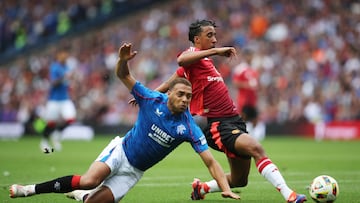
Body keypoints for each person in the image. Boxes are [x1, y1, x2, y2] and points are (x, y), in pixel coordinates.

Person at [9, 43, 240, 202]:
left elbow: (211, 162)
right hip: (121, 151)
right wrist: (122, 60)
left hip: (133, 172)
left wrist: (226, 189)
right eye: (180, 94)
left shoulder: (188, 126)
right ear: (169, 93)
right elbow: (123, 75)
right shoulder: (151, 99)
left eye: (188, 97)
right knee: (90, 180)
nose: (185, 100)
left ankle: (82, 196)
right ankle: (29, 190)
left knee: (91, 200)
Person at [152, 19, 307, 203]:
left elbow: (170, 81)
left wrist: (150, 95)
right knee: (256, 148)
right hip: (220, 125)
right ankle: (289, 195)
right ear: (197, 39)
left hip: (235, 121)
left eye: (215, 35)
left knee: (239, 180)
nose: (215, 39)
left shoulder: (202, 63)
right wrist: (216, 52)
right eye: (209, 35)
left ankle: (202, 188)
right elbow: (180, 60)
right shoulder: (193, 55)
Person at [40, 47, 76, 152]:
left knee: (71, 118)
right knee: (51, 122)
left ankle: (57, 134)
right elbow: (53, 83)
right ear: (58, 56)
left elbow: (68, 82)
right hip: (54, 100)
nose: (65, 57)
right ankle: (44, 140)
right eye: (62, 54)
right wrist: (64, 77)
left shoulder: (67, 67)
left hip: (65, 98)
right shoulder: (55, 67)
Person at [232, 48, 265, 141]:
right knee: (242, 119)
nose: (250, 57)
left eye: (251, 55)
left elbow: (256, 84)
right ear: (245, 56)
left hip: (252, 100)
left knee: (255, 120)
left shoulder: (253, 70)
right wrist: (247, 85)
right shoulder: (240, 69)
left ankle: (251, 137)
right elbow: (235, 83)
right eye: (249, 55)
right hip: (244, 100)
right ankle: (239, 137)